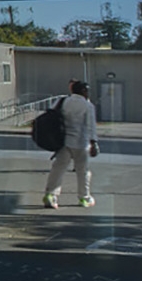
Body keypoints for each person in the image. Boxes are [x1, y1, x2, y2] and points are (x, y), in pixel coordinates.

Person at [42, 79, 99, 209]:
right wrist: (94, 143)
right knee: (82, 171)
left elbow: (51, 115)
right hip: (81, 143)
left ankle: (50, 195)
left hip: (63, 142)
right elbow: (91, 126)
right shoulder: (87, 106)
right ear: (83, 91)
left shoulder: (62, 101)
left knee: (58, 169)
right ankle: (84, 198)